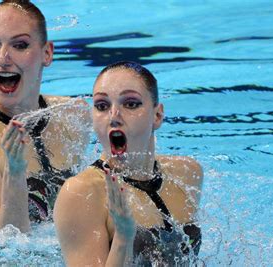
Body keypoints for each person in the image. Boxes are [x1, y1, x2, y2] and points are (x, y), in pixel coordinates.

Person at [0, 0, 89, 238]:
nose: (3, 58)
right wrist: (15, 171)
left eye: (19, 45)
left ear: (47, 53)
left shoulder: (73, 114)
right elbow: (2, 246)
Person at [54, 61, 203, 266]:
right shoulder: (82, 193)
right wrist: (123, 238)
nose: (114, 116)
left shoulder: (185, 173)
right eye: (102, 106)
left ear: (157, 115)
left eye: (131, 104)